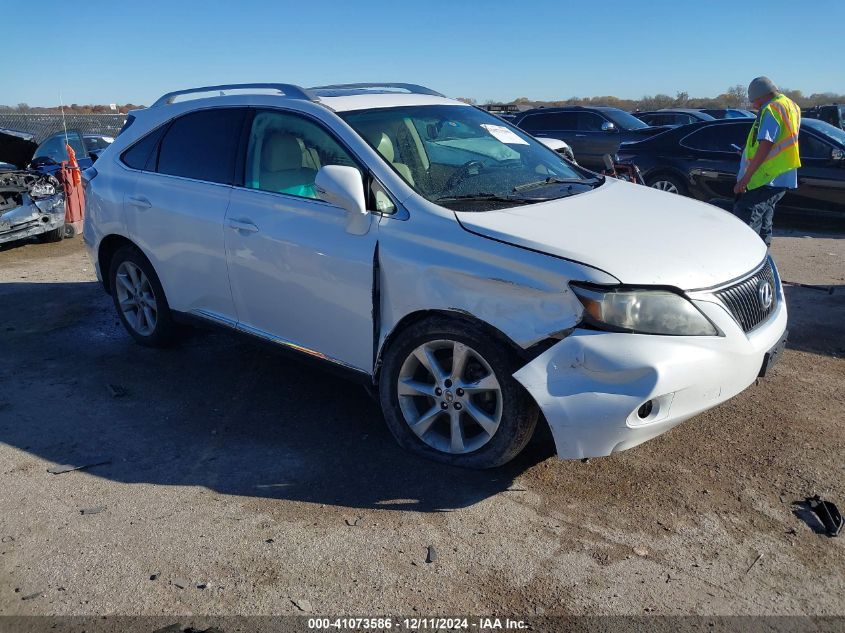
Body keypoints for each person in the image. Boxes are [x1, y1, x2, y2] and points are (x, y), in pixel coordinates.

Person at [733, 76, 801, 247]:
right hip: (782, 174)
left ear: (761, 95)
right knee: (765, 224)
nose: (754, 106)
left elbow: (766, 143)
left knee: (747, 222)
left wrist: (745, 178)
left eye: (754, 101)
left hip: (763, 177)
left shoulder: (771, 109)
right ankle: (764, 267)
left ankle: (748, 266)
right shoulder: (792, 106)